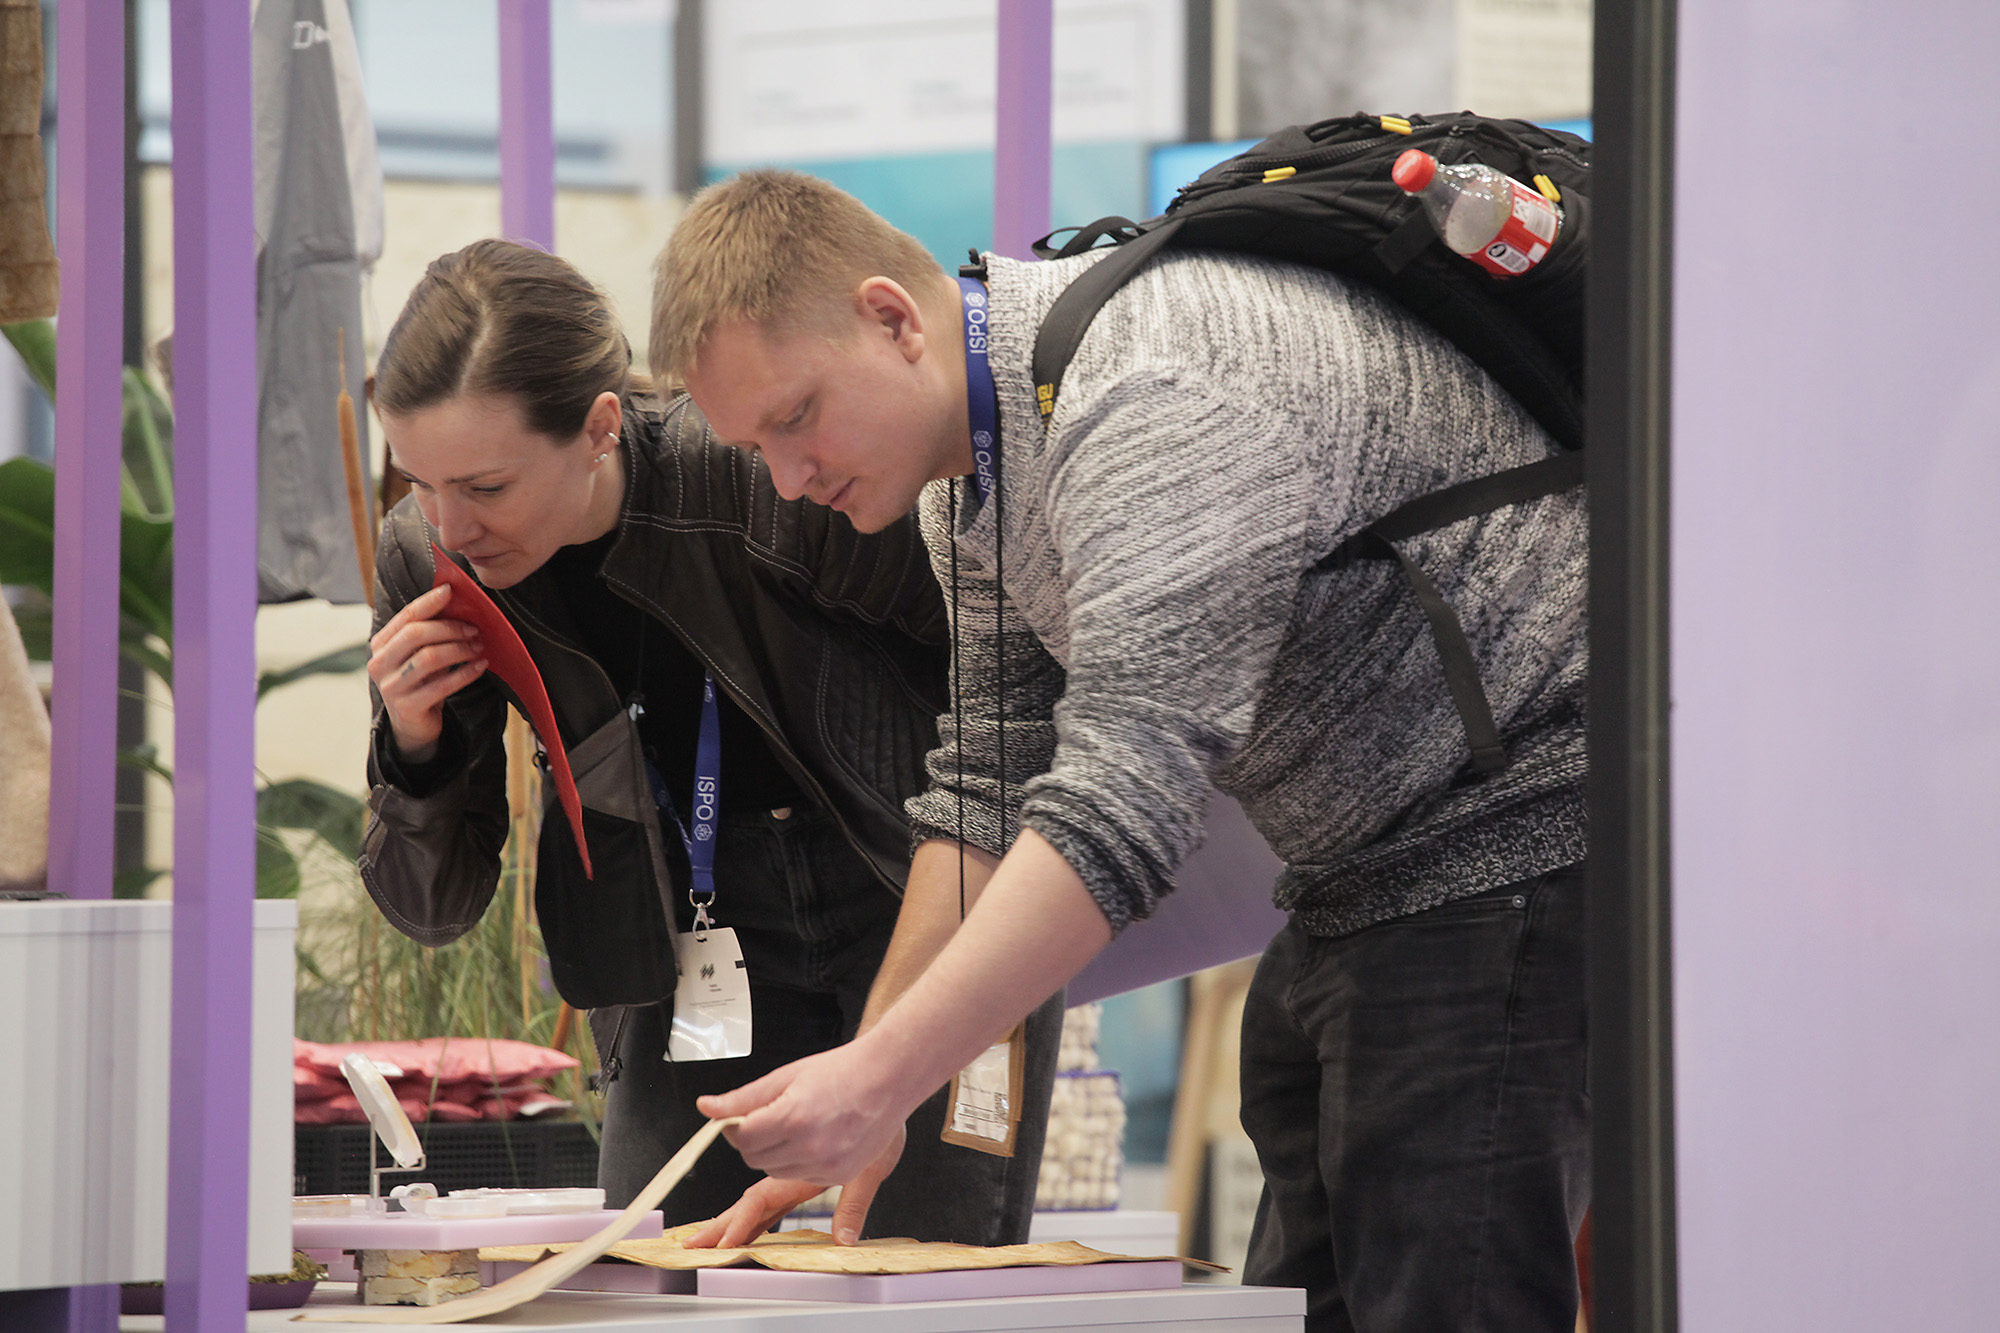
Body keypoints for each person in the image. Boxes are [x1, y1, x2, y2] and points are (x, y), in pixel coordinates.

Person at [652, 171, 1590, 1331]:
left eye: (795, 416)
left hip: (1510, 845)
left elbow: (1121, 801)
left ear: (892, 318)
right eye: (756, 447)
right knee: (1301, 1302)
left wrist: (880, 1076)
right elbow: (990, 783)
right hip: (1355, 878)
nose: (789, 479)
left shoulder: (1151, 386)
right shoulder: (970, 481)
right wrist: (880, 1075)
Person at [357, 238, 1059, 1243]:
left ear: (599, 427)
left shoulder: (767, 477)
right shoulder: (426, 561)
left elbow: (1004, 696)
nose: (451, 524)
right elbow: (432, 909)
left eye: (486, 486)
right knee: (654, 1275)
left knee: (915, 1272)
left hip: (914, 889)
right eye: (420, 482)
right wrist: (415, 748)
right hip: (688, 936)